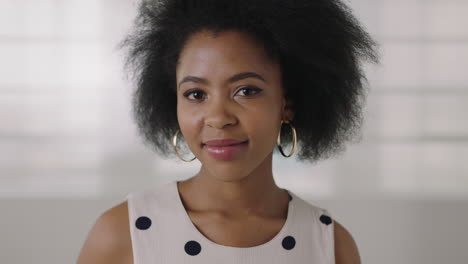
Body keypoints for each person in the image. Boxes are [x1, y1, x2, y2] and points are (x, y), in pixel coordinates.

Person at [76, 0, 379, 263]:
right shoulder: (123, 233)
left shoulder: (330, 245)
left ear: (287, 103)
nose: (218, 118)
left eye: (246, 90)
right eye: (196, 94)